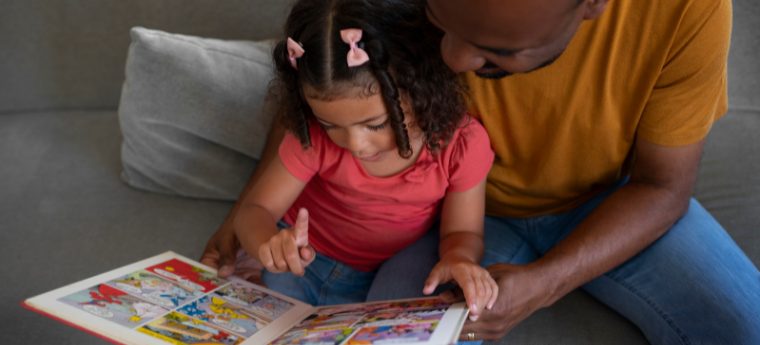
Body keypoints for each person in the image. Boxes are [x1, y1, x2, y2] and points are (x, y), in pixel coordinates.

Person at [204, 0, 760, 344]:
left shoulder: (687, 9)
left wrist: (545, 284)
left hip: (611, 201)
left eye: (498, 51)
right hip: (449, 213)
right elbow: (326, 85)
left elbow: (663, 188)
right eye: (439, 23)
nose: (452, 61)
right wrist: (248, 218)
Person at [212, 0, 498, 319]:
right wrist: (270, 244)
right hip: (299, 267)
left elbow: (463, 233)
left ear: (422, 88)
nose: (355, 144)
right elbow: (256, 211)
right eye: (330, 124)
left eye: (375, 124)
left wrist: (459, 258)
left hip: (380, 277)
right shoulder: (311, 136)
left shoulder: (462, 146)